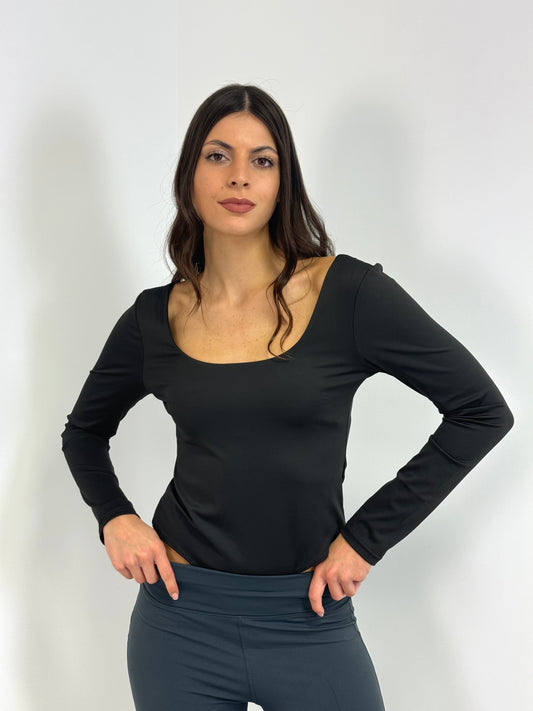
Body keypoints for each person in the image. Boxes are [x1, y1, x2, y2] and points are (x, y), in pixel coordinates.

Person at [60, 83, 514, 711]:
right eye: (218, 155)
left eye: (262, 160)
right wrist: (115, 516)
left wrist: (366, 540)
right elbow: (83, 432)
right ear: (190, 175)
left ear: (283, 182)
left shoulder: (348, 294)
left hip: (309, 618)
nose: (239, 176)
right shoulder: (154, 318)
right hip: (179, 620)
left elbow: (481, 411)